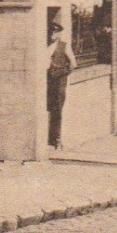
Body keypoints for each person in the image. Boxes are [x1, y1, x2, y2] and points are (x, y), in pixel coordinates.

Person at [46, 14, 75, 149]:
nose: (52, 34)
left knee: (57, 110)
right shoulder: (44, 46)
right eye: (50, 31)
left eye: (55, 31)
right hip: (46, 80)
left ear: (59, 33)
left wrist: (63, 73)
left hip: (58, 82)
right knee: (45, 108)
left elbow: (73, 64)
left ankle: (56, 139)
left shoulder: (64, 46)